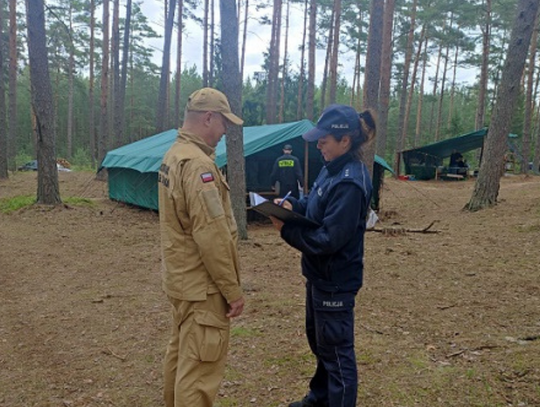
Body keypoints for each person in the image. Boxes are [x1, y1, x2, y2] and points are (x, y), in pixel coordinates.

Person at [270, 104, 376, 407]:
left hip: (335, 281)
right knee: (321, 344)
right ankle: (319, 398)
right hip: (318, 276)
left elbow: (328, 239)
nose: (318, 145)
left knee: (338, 354)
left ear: (345, 141)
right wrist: (292, 208)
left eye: (323, 140)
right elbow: (314, 207)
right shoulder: (330, 170)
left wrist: (285, 230)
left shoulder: (349, 181)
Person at [158, 87, 245, 407]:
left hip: (182, 281)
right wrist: (232, 290)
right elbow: (212, 236)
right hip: (202, 287)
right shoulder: (198, 166)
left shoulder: (174, 154)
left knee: (181, 357)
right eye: (223, 123)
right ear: (208, 117)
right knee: (198, 374)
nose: (224, 132)